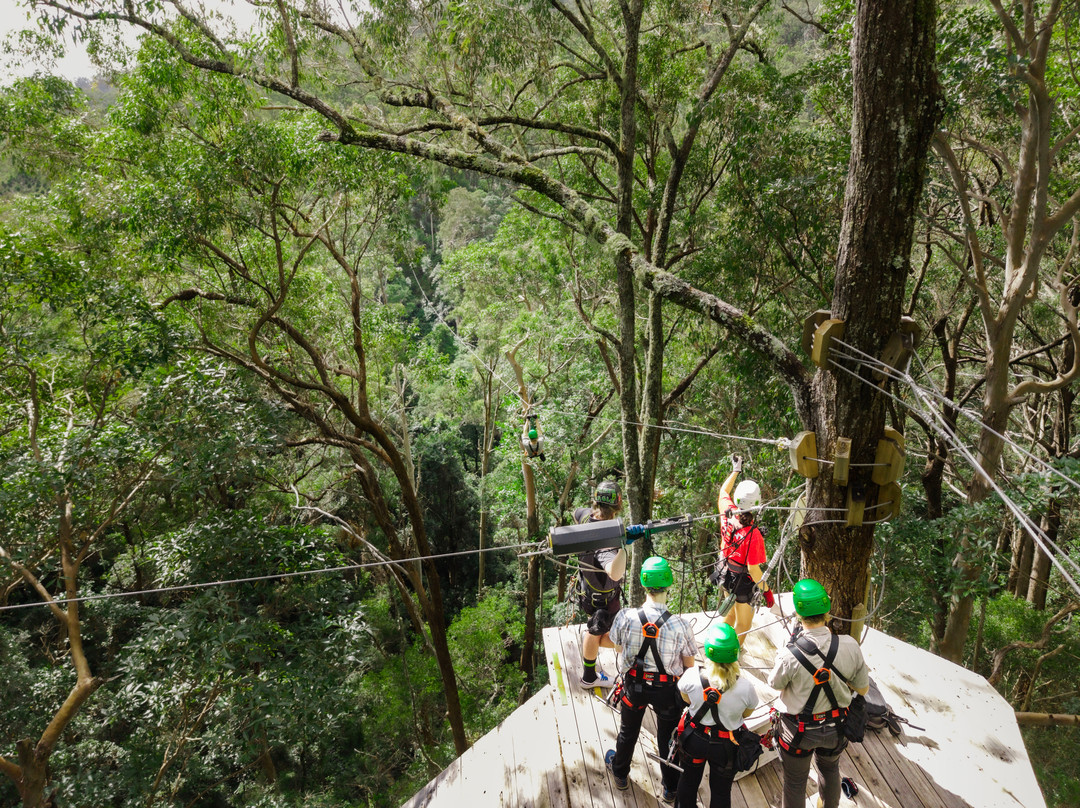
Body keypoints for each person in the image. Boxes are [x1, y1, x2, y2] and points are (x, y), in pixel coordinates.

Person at [767, 579, 870, 808]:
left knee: (794, 782)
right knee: (831, 769)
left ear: (798, 614)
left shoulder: (790, 653)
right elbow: (863, 689)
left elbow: (774, 683)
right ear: (827, 610)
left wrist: (784, 653)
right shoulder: (850, 645)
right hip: (836, 727)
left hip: (797, 731)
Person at [604, 556, 697, 802]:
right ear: (668, 584)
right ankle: (670, 787)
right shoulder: (681, 625)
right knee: (668, 738)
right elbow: (689, 667)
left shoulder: (625, 616)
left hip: (634, 686)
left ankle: (620, 772)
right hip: (667, 690)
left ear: (644, 584)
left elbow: (618, 649)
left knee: (628, 730)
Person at [675, 624, 759, 808]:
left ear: (707, 650)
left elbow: (686, 700)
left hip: (695, 739)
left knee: (688, 782)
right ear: (735, 652)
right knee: (721, 791)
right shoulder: (745, 688)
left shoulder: (691, 677)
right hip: (725, 746)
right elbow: (746, 713)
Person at [713, 453, 772, 640]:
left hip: (724, 572)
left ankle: (716, 644)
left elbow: (723, 491)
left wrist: (735, 471)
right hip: (742, 581)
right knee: (744, 624)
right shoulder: (753, 535)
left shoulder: (726, 512)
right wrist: (767, 592)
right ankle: (730, 658)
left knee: (730, 614)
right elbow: (754, 570)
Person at [575, 480, 627, 688]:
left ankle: (590, 672)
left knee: (594, 629)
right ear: (618, 504)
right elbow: (614, 573)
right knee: (606, 635)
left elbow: (576, 513)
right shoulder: (606, 543)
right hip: (603, 600)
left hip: (587, 592)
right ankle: (589, 678)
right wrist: (622, 547)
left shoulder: (586, 516)